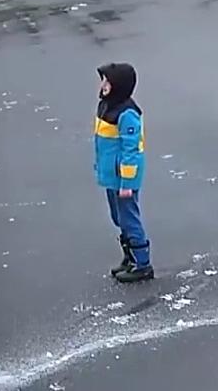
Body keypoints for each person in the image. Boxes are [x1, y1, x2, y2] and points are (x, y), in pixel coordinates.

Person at [94, 62, 154, 283]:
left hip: (124, 178)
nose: (103, 85)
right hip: (111, 175)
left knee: (129, 218)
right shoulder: (106, 106)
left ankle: (142, 263)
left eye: (108, 81)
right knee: (118, 217)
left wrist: (127, 182)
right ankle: (129, 257)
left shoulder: (127, 113)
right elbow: (104, 144)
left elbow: (131, 150)